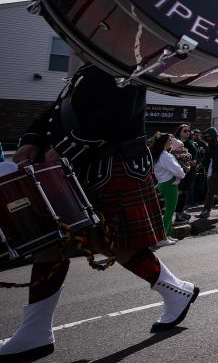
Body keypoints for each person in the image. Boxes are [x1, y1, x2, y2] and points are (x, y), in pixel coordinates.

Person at [0, 63, 198, 360]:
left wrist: (65, 147)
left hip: (110, 167)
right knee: (52, 244)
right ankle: (35, 331)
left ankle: (175, 290)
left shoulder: (126, 67)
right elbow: (56, 114)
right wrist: (31, 140)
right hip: (82, 168)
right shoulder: (87, 71)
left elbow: (112, 120)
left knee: (115, 244)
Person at [151, 133, 186, 245]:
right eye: (170, 140)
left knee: (169, 211)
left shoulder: (160, 154)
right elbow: (177, 170)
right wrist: (182, 174)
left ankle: (167, 234)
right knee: (169, 211)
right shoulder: (164, 155)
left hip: (164, 183)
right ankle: (162, 238)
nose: (172, 141)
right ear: (164, 142)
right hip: (169, 184)